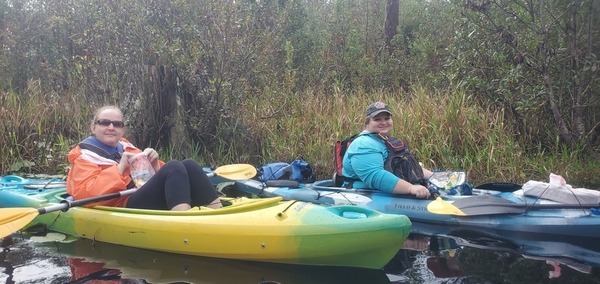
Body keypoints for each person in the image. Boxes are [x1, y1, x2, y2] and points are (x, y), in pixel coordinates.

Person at [66, 105, 222, 211]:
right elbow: (86, 196)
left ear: (122, 129)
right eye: (104, 123)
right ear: (94, 127)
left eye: (117, 124)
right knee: (174, 166)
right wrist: (119, 168)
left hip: (139, 195)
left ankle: (218, 213)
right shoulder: (84, 158)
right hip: (121, 205)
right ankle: (185, 224)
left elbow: (152, 179)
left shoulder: (127, 148)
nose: (111, 127)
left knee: (190, 164)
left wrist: (154, 165)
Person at [341, 101, 433, 198]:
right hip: (364, 194)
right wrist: (411, 188)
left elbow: (409, 167)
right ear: (367, 122)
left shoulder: (383, 140)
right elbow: (376, 177)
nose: (384, 122)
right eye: (377, 119)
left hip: (387, 190)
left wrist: (434, 177)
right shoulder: (363, 144)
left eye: (387, 118)